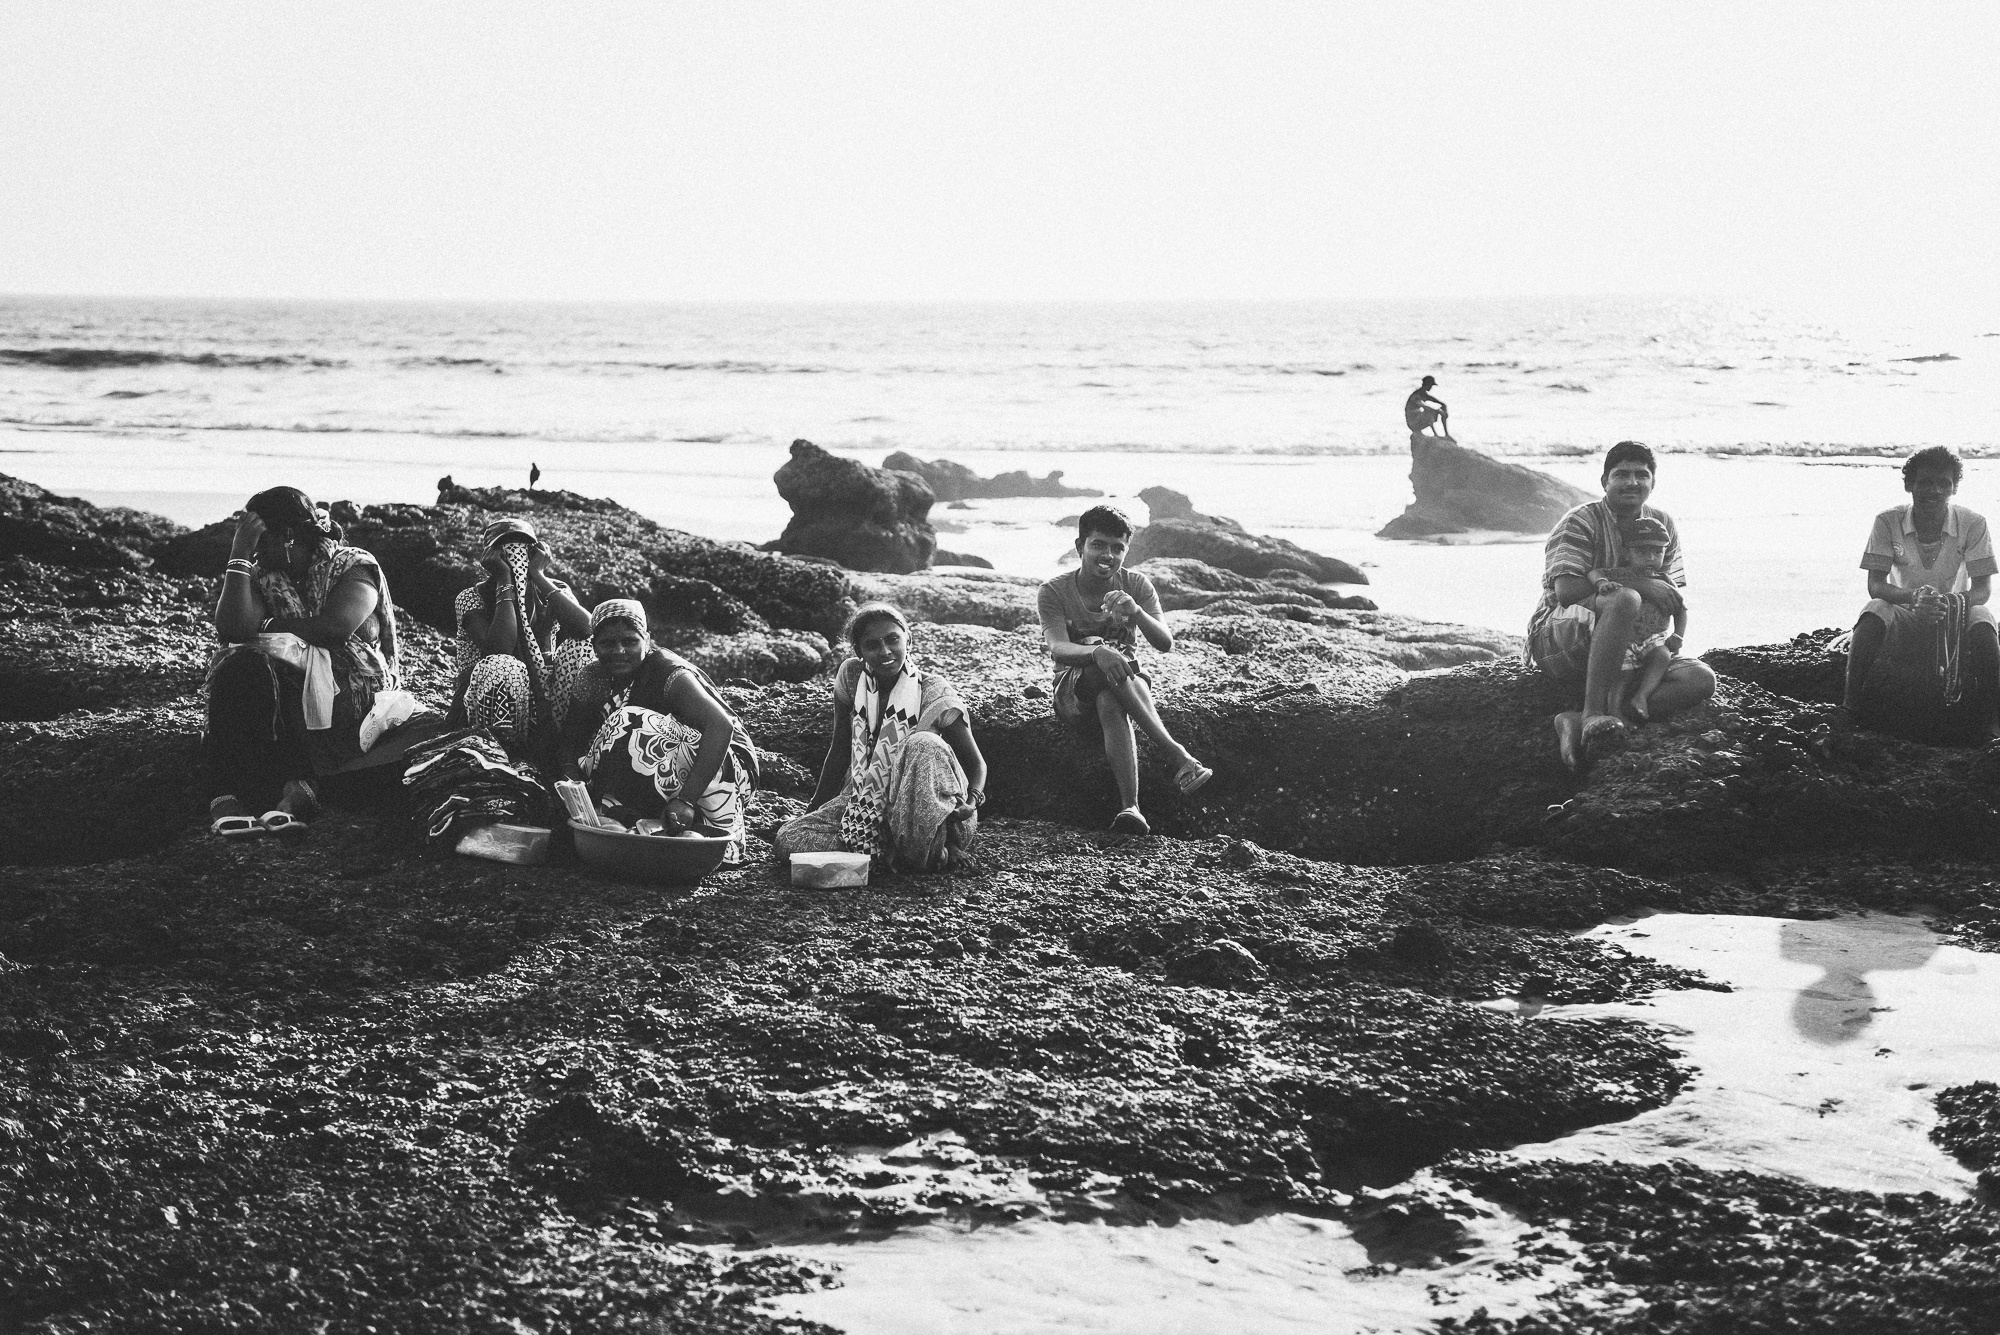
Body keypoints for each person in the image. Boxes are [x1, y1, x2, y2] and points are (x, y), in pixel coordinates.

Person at [205, 486, 401, 839]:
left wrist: (267, 626)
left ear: (289, 537)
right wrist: (237, 555)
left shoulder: (353, 566)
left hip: (353, 691)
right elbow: (234, 630)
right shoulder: (264, 574)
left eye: (260, 542)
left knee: (266, 676)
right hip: (290, 685)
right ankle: (230, 794)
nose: (257, 553)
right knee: (239, 668)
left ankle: (292, 789)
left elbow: (334, 629)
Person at [1527, 441, 1716, 769]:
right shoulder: (1581, 521)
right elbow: (1567, 590)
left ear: (1652, 484)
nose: (1632, 482)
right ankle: (1591, 714)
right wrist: (1639, 583)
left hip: (1631, 647)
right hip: (1560, 636)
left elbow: (1668, 597)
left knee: (1700, 679)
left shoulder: (1662, 524)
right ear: (1605, 482)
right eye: (1621, 475)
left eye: (1642, 475)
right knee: (1626, 599)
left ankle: (1581, 716)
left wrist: (1668, 643)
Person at [774, 603, 987, 872]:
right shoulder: (851, 678)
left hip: (928, 812)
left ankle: (935, 847)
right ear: (860, 652)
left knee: (923, 743)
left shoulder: (934, 691)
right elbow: (839, 750)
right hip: (864, 800)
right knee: (788, 840)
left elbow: (977, 764)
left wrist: (971, 802)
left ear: (908, 639)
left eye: (893, 639)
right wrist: (813, 809)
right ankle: (892, 855)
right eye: (872, 645)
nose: (885, 651)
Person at [1038, 506, 1211, 835]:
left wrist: (1137, 615)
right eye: (1099, 545)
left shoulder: (1136, 585)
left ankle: (1131, 808)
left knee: (1110, 699)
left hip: (1127, 688)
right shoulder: (1053, 591)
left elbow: (1164, 643)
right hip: (1073, 693)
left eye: (1118, 548)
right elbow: (1058, 647)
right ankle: (1176, 754)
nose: (1108, 555)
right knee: (1107, 673)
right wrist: (1098, 652)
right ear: (1080, 547)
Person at [558, 599, 760, 863]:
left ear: (647, 640)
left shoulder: (667, 673)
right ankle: (634, 819)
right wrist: (575, 783)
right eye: (607, 643)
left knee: (629, 721)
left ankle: (689, 816)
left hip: (722, 762)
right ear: (594, 645)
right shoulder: (592, 678)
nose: (619, 651)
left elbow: (720, 726)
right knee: (610, 739)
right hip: (664, 759)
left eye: (630, 642)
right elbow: (570, 742)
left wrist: (686, 801)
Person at [1841, 446, 2000, 742]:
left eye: (1944, 483)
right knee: (1874, 607)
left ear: (1954, 487)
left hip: (1954, 615)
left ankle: (1993, 722)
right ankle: (1850, 706)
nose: (1935, 490)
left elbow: (1982, 589)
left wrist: (1951, 603)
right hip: (1907, 613)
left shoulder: (1973, 523)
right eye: (1925, 482)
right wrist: (1913, 599)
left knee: (1983, 616)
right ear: (1908, 485)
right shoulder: (1887, 521)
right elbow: (1876, 584)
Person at [451, 517, 594, 759]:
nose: (515, 553)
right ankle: (504, 754)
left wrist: (537, 575)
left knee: (581, 649)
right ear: (491, 556)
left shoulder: (551, 588)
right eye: (505, 547)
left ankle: (569, 747)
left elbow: (587, 629)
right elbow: (499, 649)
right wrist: (506, 579)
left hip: (546, 698)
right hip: (493, 703)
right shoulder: (471, 597)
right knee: (502, 666)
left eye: (523, 547)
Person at [1598, 516, 1689, 722]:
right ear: (1626, 553)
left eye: (1657, 552)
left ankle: (1642, 696)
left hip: (1653, 639)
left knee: (1662, 656)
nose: (1650, 558)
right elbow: (1595, 572)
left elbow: (1681, 609)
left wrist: (1678, 636)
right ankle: (1613, 708)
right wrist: (1601, 582)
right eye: (1641, 552)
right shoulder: (1619, 575)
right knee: (1621, 674)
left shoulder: (1665, 580)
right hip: (1625, 640)